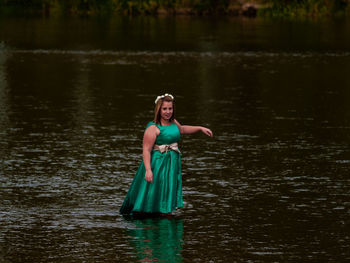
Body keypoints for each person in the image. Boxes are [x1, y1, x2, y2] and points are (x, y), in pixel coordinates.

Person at [120, 93, 213, 215]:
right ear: (159, 109)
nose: (168, 112)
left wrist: (200, 128)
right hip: (158, 163)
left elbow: (183, 130)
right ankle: (151, 213)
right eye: (164, 109)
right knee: (156, 189)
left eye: (170, 108)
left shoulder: (173, 122)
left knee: (167, 188)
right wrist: (148, 170)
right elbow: (146, 150)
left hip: (171, 162)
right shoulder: (153, 128)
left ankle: (165, 212)